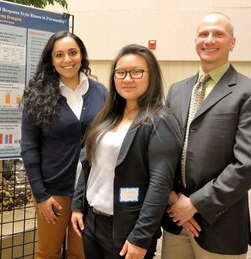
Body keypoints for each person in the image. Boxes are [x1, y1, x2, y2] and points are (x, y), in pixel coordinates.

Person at [161, 12, 251, 259]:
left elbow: (248, 164)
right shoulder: (177, 90)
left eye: (218, 34)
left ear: (232, 42)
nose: (209, 40)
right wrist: (173, 198)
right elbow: (164, 150)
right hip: (175, 218)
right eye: (203, 34)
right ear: (195, 41)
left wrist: (195, 204)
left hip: (220, 222)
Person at [70, 44, 182, 259]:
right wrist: (77, 206)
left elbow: (160, 185)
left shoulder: (159, 121)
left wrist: (141, 237)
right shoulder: (107, 117)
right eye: (120, 73)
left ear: (152, 76)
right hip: (92, 221)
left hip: (126, 227)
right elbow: (88, 164)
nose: (127, 79)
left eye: (136, 72)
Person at [20, 31, 107, 259]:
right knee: (48, 253)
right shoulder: (35, 95)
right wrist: (40, 195)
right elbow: (29, 148)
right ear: (51, 59)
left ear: (81, 55)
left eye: (72, 52)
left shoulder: (101, 93)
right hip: (54, 192)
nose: (67, 59)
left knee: (81, 254)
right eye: (59, 54)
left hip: (89, 190)